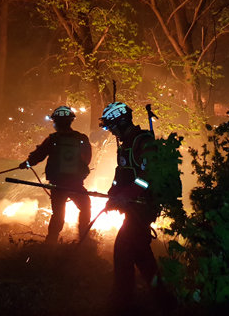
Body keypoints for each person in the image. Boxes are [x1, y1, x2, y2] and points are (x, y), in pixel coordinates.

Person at [99, 102, 162, 313]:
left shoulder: (143, 142)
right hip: (132, 207)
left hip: (143, 207)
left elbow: (148, 177)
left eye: (110, 126)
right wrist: (112, 195)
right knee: (142, 256)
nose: (109, 131)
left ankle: (121, 302)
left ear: (121, 121)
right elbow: (121, 175)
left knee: (123, 251)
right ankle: (164, 299)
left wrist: (128, 195)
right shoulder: (125, 145)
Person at [19, 106, 92, 243]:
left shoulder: (53, 139)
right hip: (76, 184)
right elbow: (87, 160)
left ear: (56, 122)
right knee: (85, 207)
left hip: (58, 184)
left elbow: (38, 156)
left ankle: (50, 244)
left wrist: (26, 164)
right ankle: (84, 238)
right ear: (71, 121)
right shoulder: (81, 138)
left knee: (58, 215)